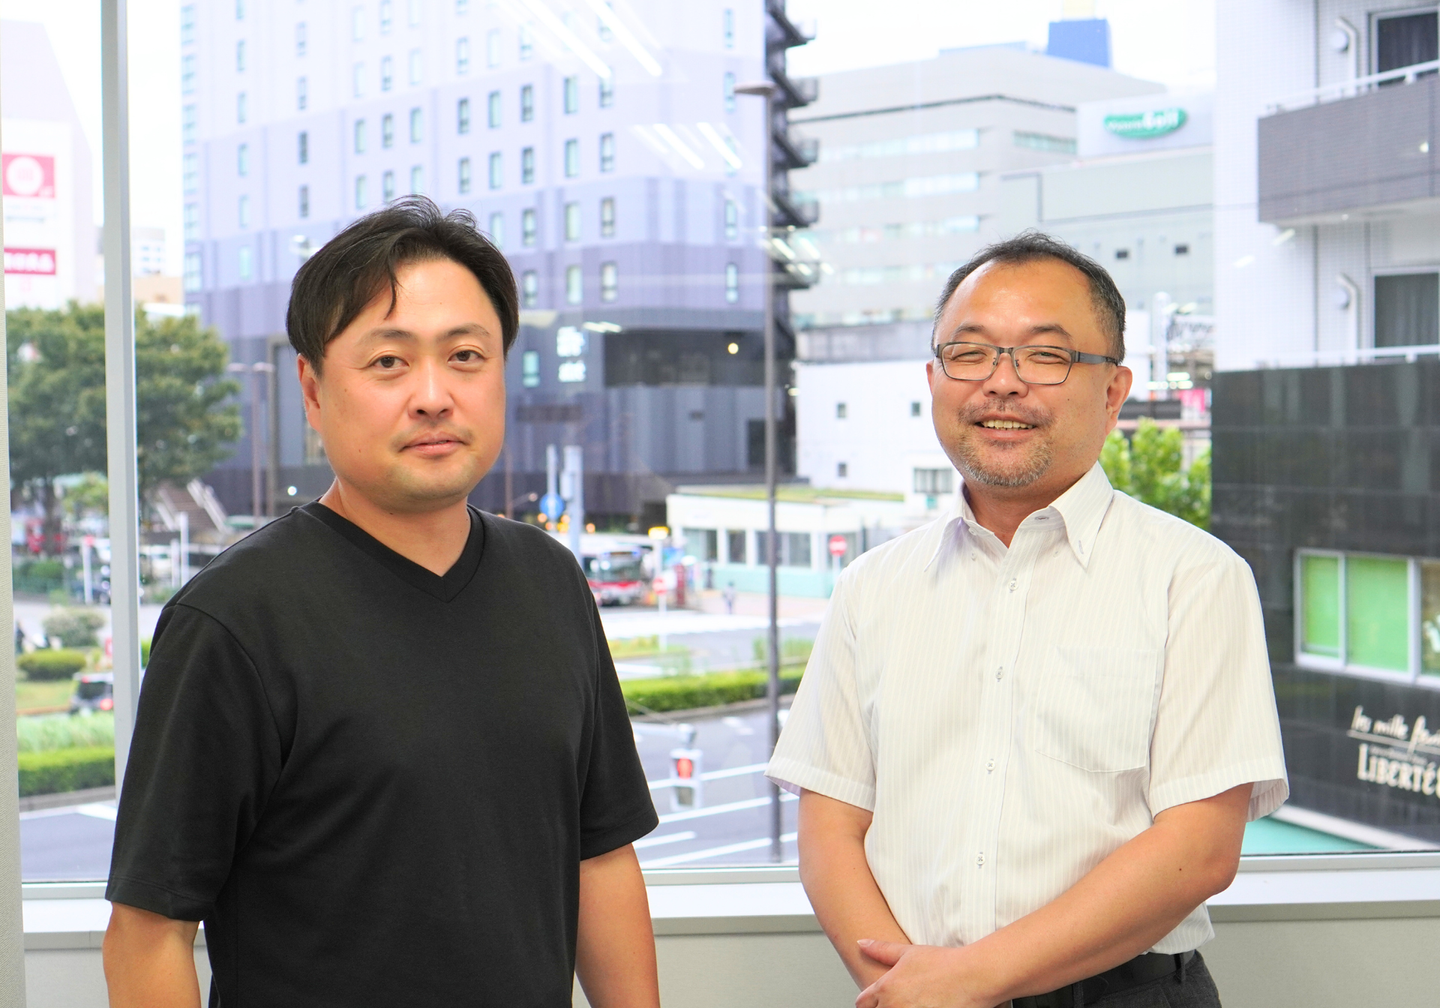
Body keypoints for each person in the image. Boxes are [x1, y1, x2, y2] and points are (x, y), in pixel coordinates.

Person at [102, 197, 660, 1008]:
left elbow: (599, 855)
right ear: (312, 388)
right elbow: (148, 933)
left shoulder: (550, 581)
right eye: (390, 362)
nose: (434, 395)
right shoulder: (234, 620)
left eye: (465, 355)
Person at [767, 232, 1287, 1008]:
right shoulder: (871, 587)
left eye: (1046, 356)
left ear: (1113, 390)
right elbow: (829, 827)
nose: (1001, 383)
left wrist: (970, 980)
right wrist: (906, 989)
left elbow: (1199, 849)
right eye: (970, 353)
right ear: (934, 378)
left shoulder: (1196, 578)